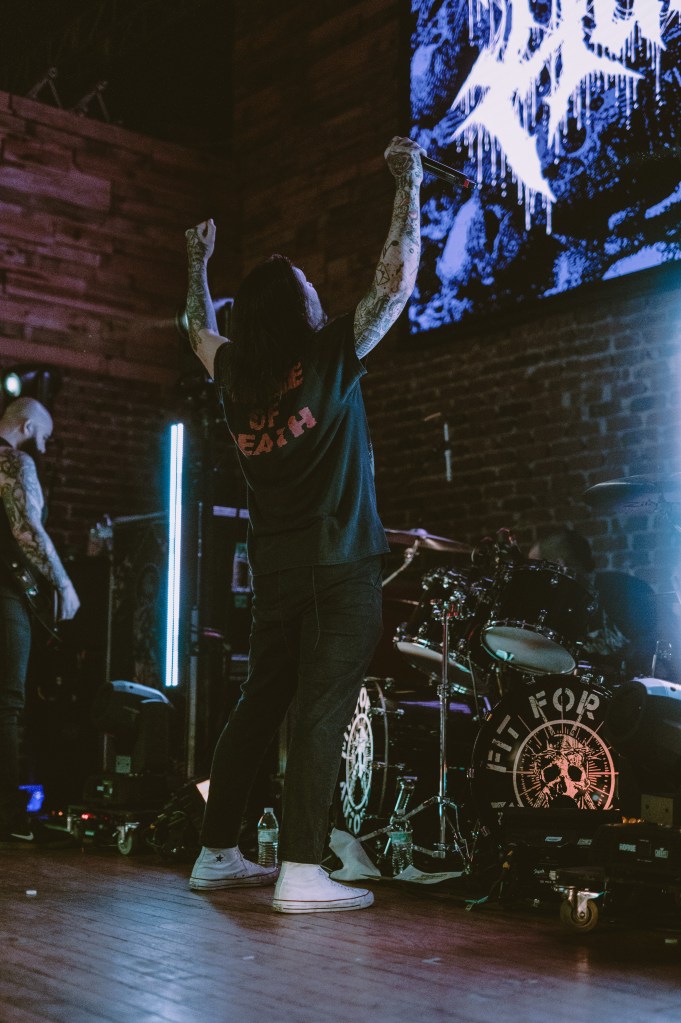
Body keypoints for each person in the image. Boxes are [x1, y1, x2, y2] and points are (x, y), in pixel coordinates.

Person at [184, 136, 423, 912]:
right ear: (298, 308)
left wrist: (197, 262)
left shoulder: (236, 377)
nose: (320, 290)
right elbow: (395, 281)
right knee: (322, 712)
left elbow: (194, 327)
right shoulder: (328, 355)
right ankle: (299, 868)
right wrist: (409, 181)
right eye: (310, 285)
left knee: (259, 704)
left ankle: (216, 851)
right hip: (339, 565)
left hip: (277, 573)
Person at [0, 397, 80, 843]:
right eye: (44, 437)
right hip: (3, 594)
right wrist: (63, 584)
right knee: (7, 704)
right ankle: (8, 819)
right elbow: (26, 528)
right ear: (27, 427)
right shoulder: (14, 460)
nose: (45, 448)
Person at [529, 527, 657, 681]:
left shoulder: (627, 590)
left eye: (537, 567)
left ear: (558, 564)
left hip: (631, 688)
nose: (534, 576)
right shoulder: (554, 608)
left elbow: (656, 643)